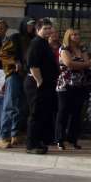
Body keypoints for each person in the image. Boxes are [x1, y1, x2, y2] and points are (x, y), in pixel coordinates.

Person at [25, 19, 60, 154]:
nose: (49, 31)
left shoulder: (44, 43)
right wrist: (39, 81)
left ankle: (39, 141)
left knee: (42, 114)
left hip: (46, 85)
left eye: (50, 28)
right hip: (36, 84)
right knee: (35, 114)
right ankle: (31, 144)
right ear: (38, 29)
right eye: (45, 28)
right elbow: (33, 65)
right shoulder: (36, 43)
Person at [56, 28, 91, 150]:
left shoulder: (82, 49)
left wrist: (78, 64)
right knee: (63, 112)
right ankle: (60, 139)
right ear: (68, 36)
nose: (76, 37)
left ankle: (73, 139)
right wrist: (82, 64)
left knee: (77, 113)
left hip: (80, 85)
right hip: (65, 85)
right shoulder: (64, 49)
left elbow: (89, 63)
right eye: (74, 35)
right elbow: (68, 63)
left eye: (78, 34)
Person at [0, 24, 27, 149]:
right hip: (13, 74)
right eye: (29, 25)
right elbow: (2, 54)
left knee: (20, 106)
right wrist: (14, 62)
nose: (30, 27)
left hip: (25, 75)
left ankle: (15, 134)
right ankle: (3, 136)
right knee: (10, 105)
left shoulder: (31, 39)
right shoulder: (15, 37)